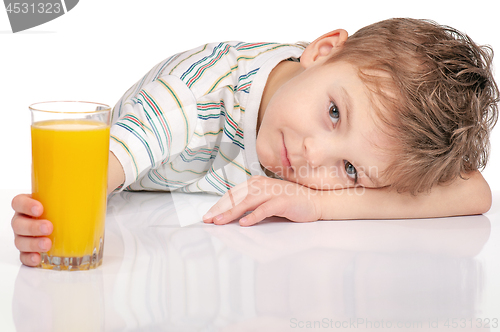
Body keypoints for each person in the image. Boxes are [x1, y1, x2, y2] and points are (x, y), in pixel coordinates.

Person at [11, 18, 499, 267]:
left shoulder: (340, 96)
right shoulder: (192, 98)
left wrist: (318, 205)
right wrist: (56, 217)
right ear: (323, 51)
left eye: (349, 170)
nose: (313, 157)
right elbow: (108, 160)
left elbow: (474, 191)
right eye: (333, 114)